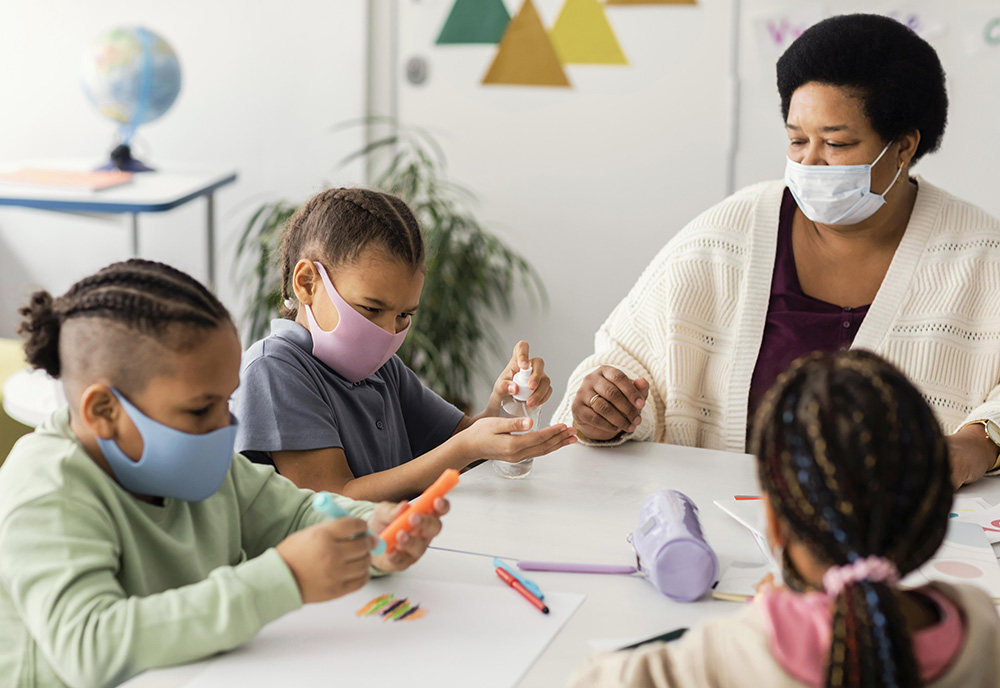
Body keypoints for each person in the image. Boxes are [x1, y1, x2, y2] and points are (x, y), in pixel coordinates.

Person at [552, 13, 1000, 487]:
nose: (810, 161)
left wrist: (981, 440)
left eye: (837, 142)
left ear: (904, 146)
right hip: (725, 535)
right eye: (796, 140)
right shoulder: (729, 234)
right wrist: (604, 412)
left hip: (901, 545)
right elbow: (628, 367)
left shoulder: (982, 255)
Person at [0, 260, 447, 687]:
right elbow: (88, 646)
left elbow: (297, 514)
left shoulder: (206, 464)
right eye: (199, 409)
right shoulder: (48, 487)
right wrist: (283, 578)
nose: (224, 425)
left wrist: (373, 533)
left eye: (226, 400)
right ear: (104, 411)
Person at [571, 350, 1000, 688]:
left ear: (773, 525)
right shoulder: (978, 625)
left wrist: (770, 618)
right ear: (932, 520)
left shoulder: (736, 650)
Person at [233, 187, 576, 502]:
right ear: (307, 282)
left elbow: (465, 441)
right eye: (371, 308)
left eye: (403, 315)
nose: (387, 331)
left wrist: (505, 407)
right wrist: (463, 448)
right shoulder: (274, 369)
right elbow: (336, 498)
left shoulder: (383, 370)